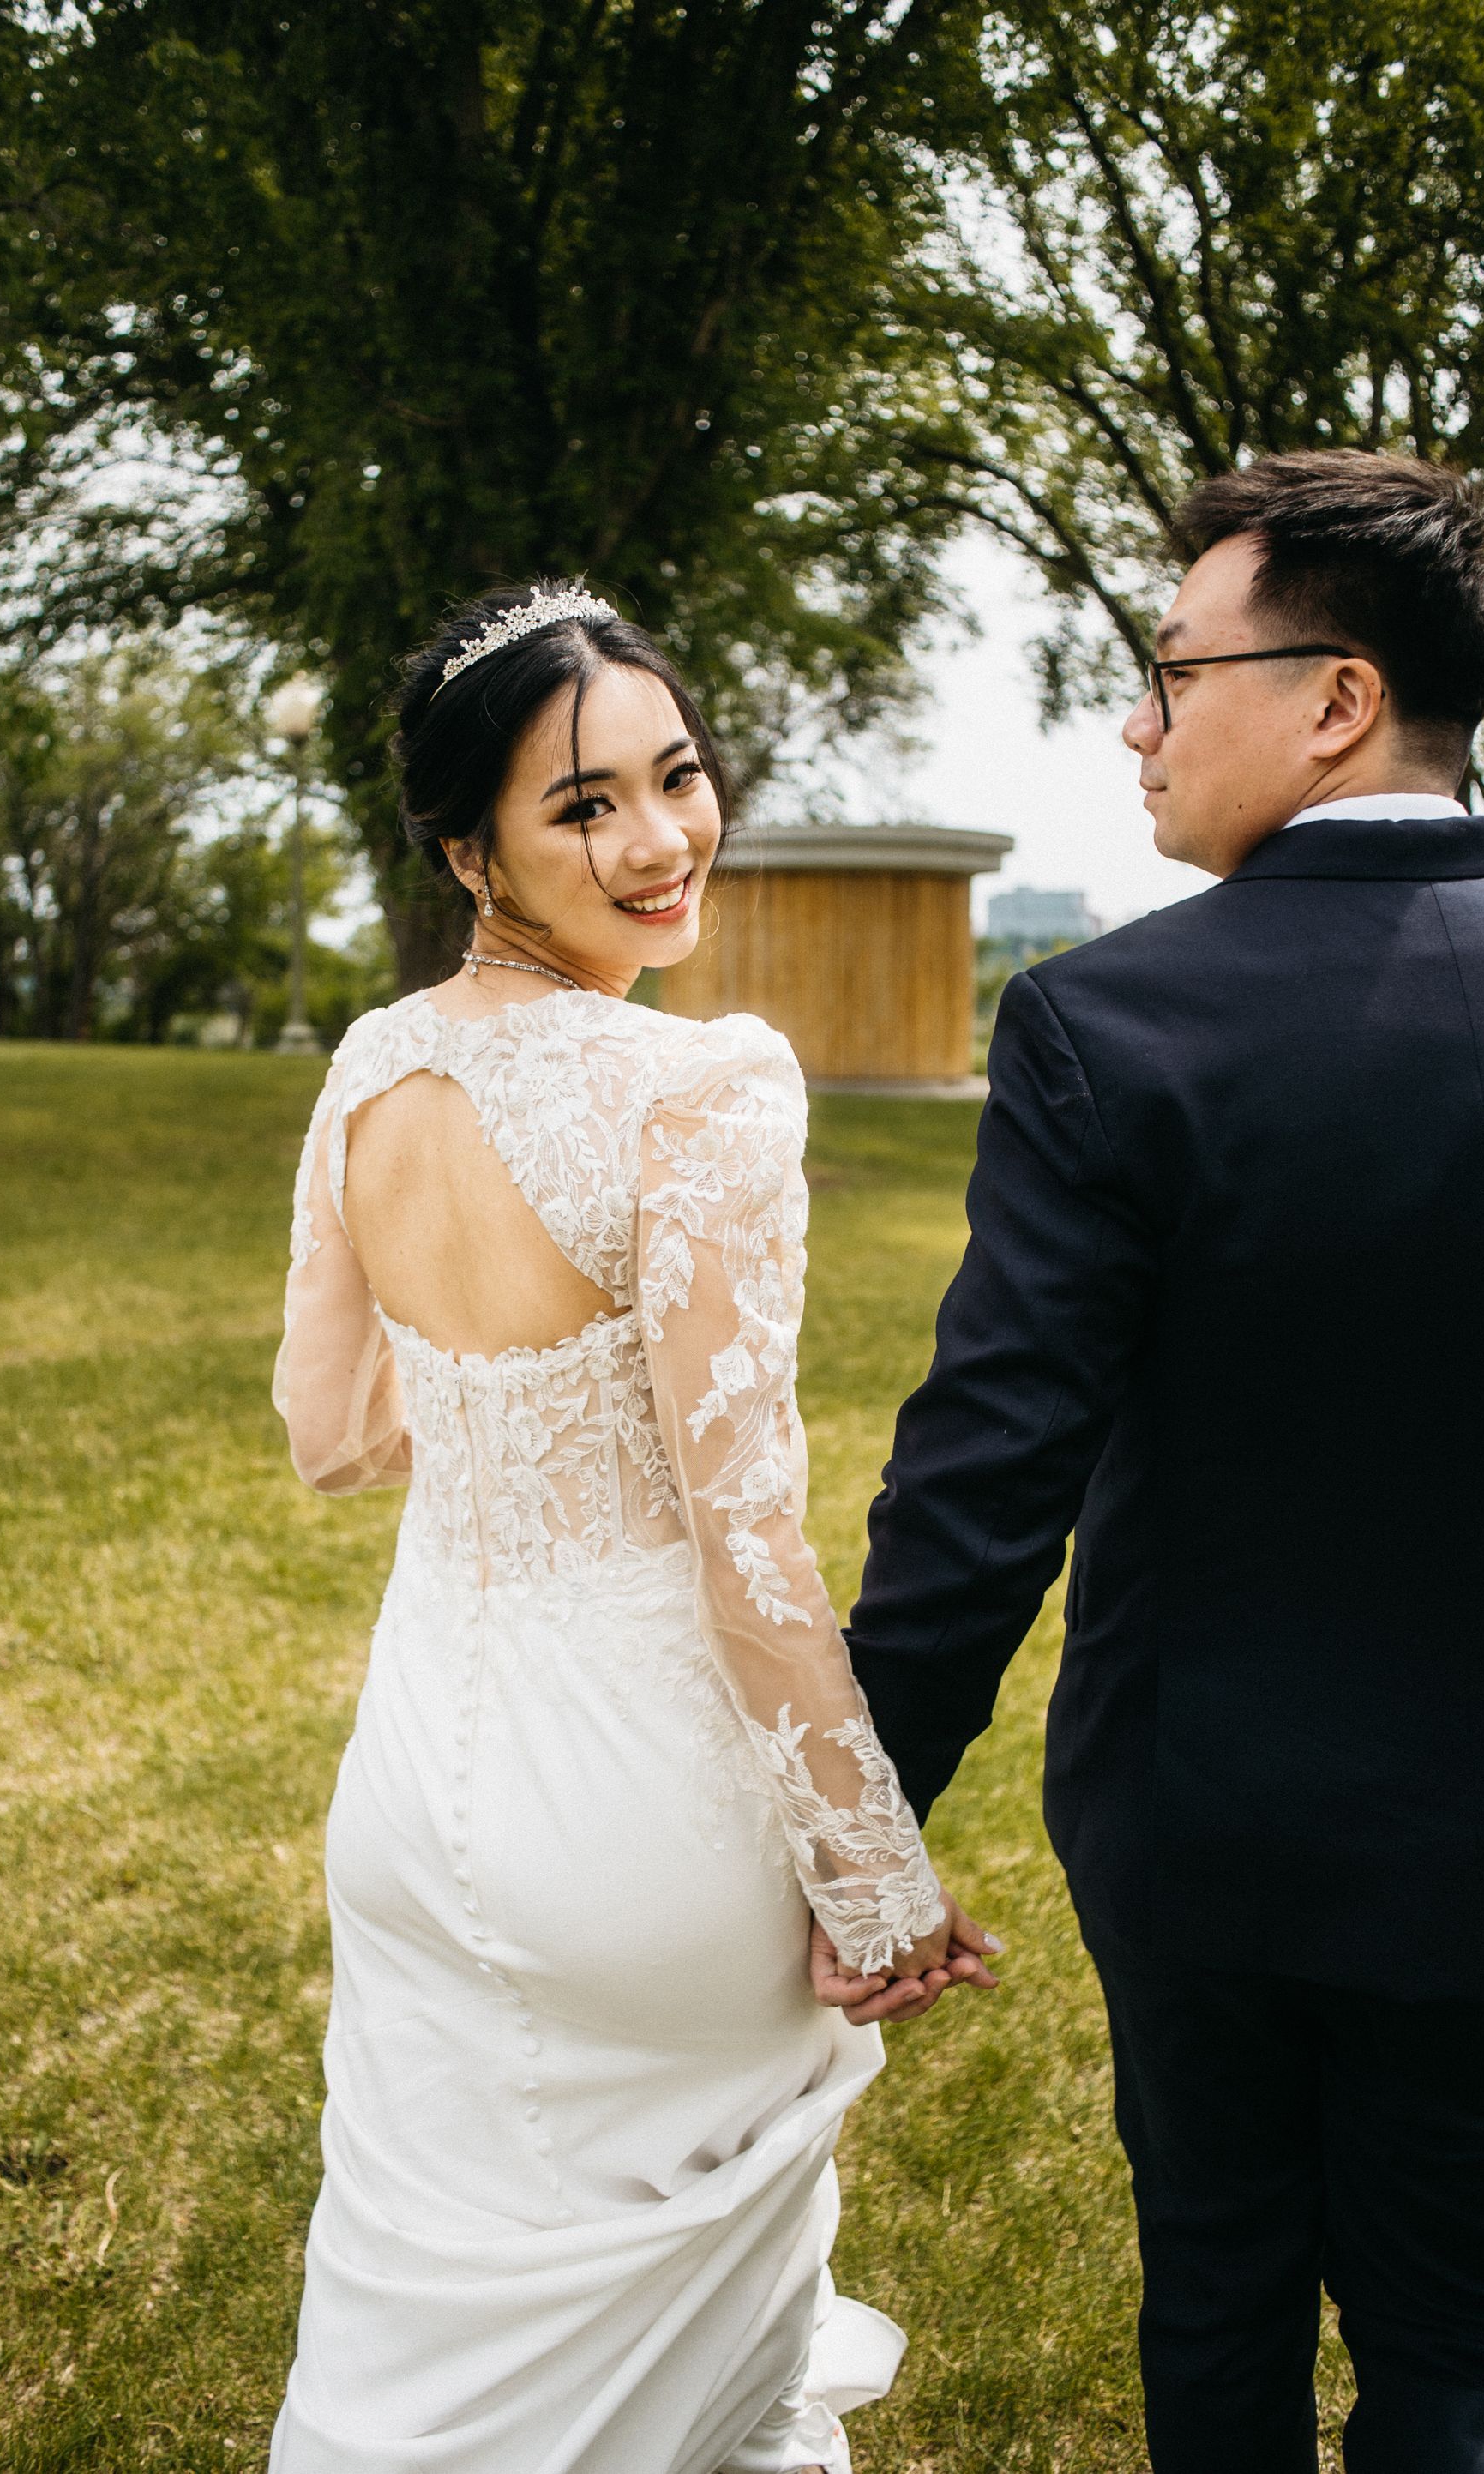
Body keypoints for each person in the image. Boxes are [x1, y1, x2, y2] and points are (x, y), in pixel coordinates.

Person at [267, 581, 1000, 2474]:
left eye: (675, 778)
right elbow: (744, 1544)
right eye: (582, 806)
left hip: (418, 1789)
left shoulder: (369, 1066)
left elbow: (331, 1437)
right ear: (470, 847)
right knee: (716, 2409)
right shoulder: (705, 1088)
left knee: (425, 2346)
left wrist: (512, 1417)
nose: (660, 839)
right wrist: (876, 1876)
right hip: (639, 1814)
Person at [841, 453, 1484, 2471]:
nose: (1136, 721)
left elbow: (982, 1488)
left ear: (1334, 699)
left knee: (1217, 2316)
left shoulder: (1102, 1027)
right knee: (1465, 2364)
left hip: (1202, 1826)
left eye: (1170, 670)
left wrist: (858, 1831)